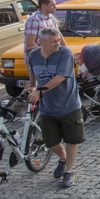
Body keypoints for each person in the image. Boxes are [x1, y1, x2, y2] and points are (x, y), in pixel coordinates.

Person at [24, 28, 82, 188]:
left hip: (69, 105)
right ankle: (62, 158)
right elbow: (32, 71)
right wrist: (32, 86)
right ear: (41, 42)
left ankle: (69, 172)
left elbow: (60, 77)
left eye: (58, 40)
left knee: (72, 140)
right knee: (50, 142)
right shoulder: (33, 55)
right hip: (47, 107)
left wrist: (39, 91)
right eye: (53, 42)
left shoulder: (65, 53)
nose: (58, 44)